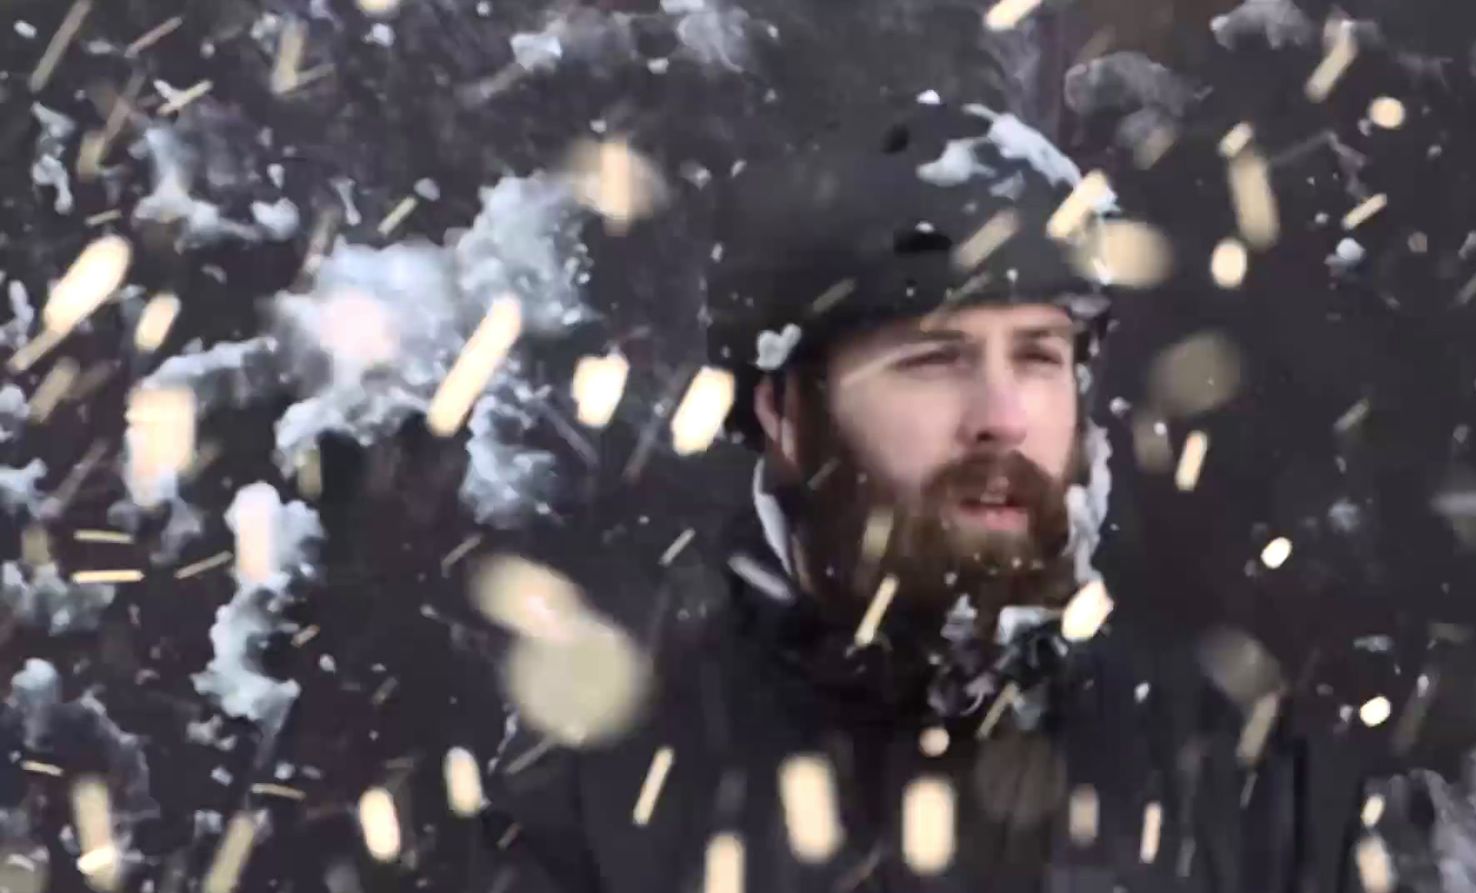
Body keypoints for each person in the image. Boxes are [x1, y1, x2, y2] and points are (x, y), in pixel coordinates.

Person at [473, 100, 1373, 893]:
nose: (1003, 417)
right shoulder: (602, 802)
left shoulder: (1240, 772)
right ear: (785, 412)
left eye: (1038, 356)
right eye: (934, 359)